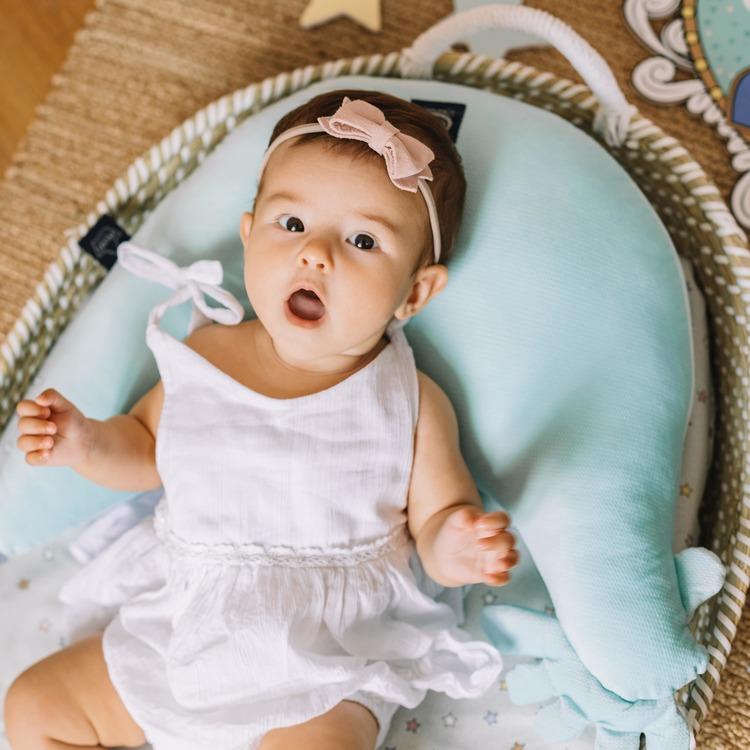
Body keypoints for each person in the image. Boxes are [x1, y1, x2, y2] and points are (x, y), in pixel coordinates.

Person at [5, 89, 518, 750]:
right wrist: (85, 442)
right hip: (182, 621)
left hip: (329, 655)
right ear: (249, 236)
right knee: (35, 707)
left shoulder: (409, 400)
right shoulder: (205, 355)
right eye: (292, 224)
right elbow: (148, 447)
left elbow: (439, 521)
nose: (315, 254)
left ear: (415, 292)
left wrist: (461, 546)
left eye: (363, 240)